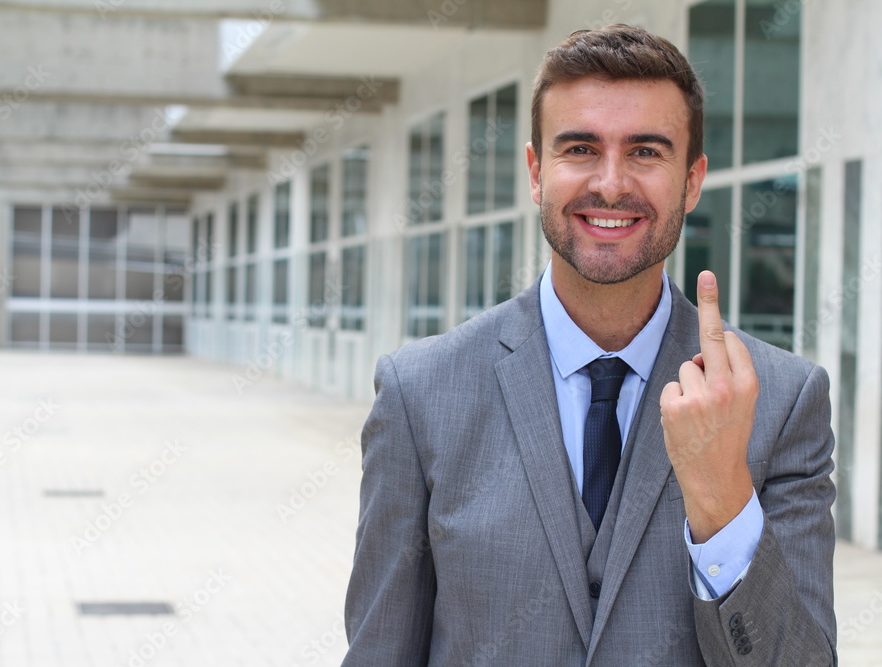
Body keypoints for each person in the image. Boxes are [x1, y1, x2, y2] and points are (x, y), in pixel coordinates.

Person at [342, 24, 836, 666]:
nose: (610, 184)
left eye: (646, 152)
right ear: (535, 170)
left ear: (691, 181)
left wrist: (722, 501)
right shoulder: (420, 394)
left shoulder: (782, 402)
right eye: (580, 148)